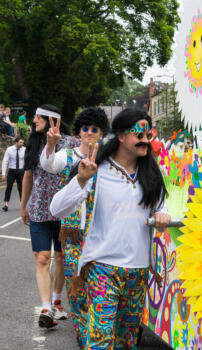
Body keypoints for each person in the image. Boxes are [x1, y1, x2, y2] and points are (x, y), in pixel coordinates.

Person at [50, 108, 170, 348]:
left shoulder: (151, 176)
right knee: (100, 340)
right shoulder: (95, 171)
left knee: (125, 341)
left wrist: (163, 215)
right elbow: (57, 209)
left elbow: (160, 209)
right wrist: (81, 180)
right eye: (140, 134)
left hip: (138, 272)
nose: (145, 140)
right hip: (102, 269)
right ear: (122, 136)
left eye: (149, 135)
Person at [40, 107, 108, 347]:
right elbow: (49, 164)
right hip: (73, 236)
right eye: (85, 129)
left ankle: (98, 330)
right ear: (79, 132)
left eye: (94, 129)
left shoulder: (106, 161)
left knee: (100, 289)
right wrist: (50, 145)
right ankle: (83, 336)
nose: (89, 133)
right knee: (77, 289)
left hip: (100, 237)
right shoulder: (67, 156)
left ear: (101, 133)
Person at [21, 104, 79, 328]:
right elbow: (28, 175)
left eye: (37, 117)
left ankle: (57, 302)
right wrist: (24, 205)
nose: (33, 120)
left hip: (65, 212)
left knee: (61, 258)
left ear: (51, 120)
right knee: (42, 258)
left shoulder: (71, 143)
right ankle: (46, 308)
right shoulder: (33, 142)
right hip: (39, 210)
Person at [2, 136, 25, 211]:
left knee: (21, 188)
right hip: (12, 171)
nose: (22, 144)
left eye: (23, 142)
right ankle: (6, 204)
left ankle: (22, 204)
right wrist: (3, 173)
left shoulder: (24, 150)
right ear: (16, 142)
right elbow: (5, 161)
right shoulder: (9, 150)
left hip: (21, 171)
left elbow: (27, 161)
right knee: (9, 187)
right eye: (20, 142)